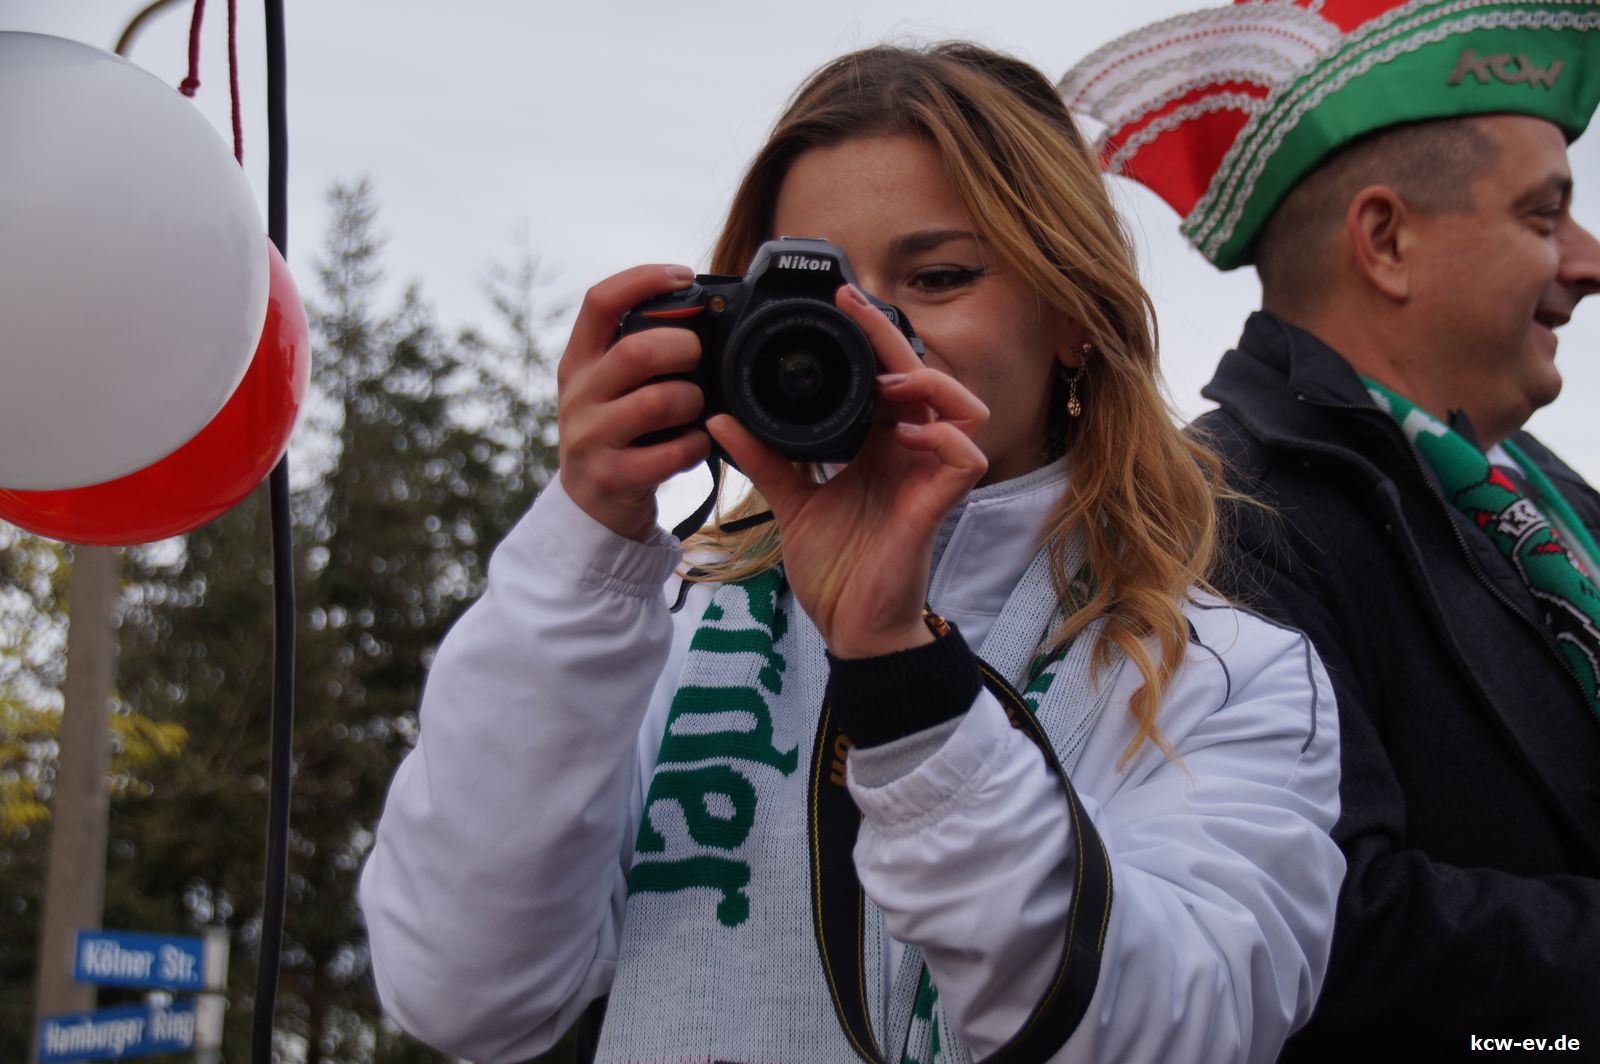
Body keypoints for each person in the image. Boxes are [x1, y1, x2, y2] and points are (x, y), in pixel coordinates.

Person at [359, 42, 1343, 1064]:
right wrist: (585, 544)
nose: (870, 329)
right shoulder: (659, 626)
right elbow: (462, 993)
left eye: (938, 276)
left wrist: (907, 686)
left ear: (1073, 314)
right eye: (816, 294)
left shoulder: (1226, 678)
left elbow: (1168, 1034)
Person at [1063, 1, 1600, 1057]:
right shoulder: (1223, 516)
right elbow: (1329, 935)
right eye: (1544, 218)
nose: (1587, 260)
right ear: (1385, 241)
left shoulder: (1544, 492)